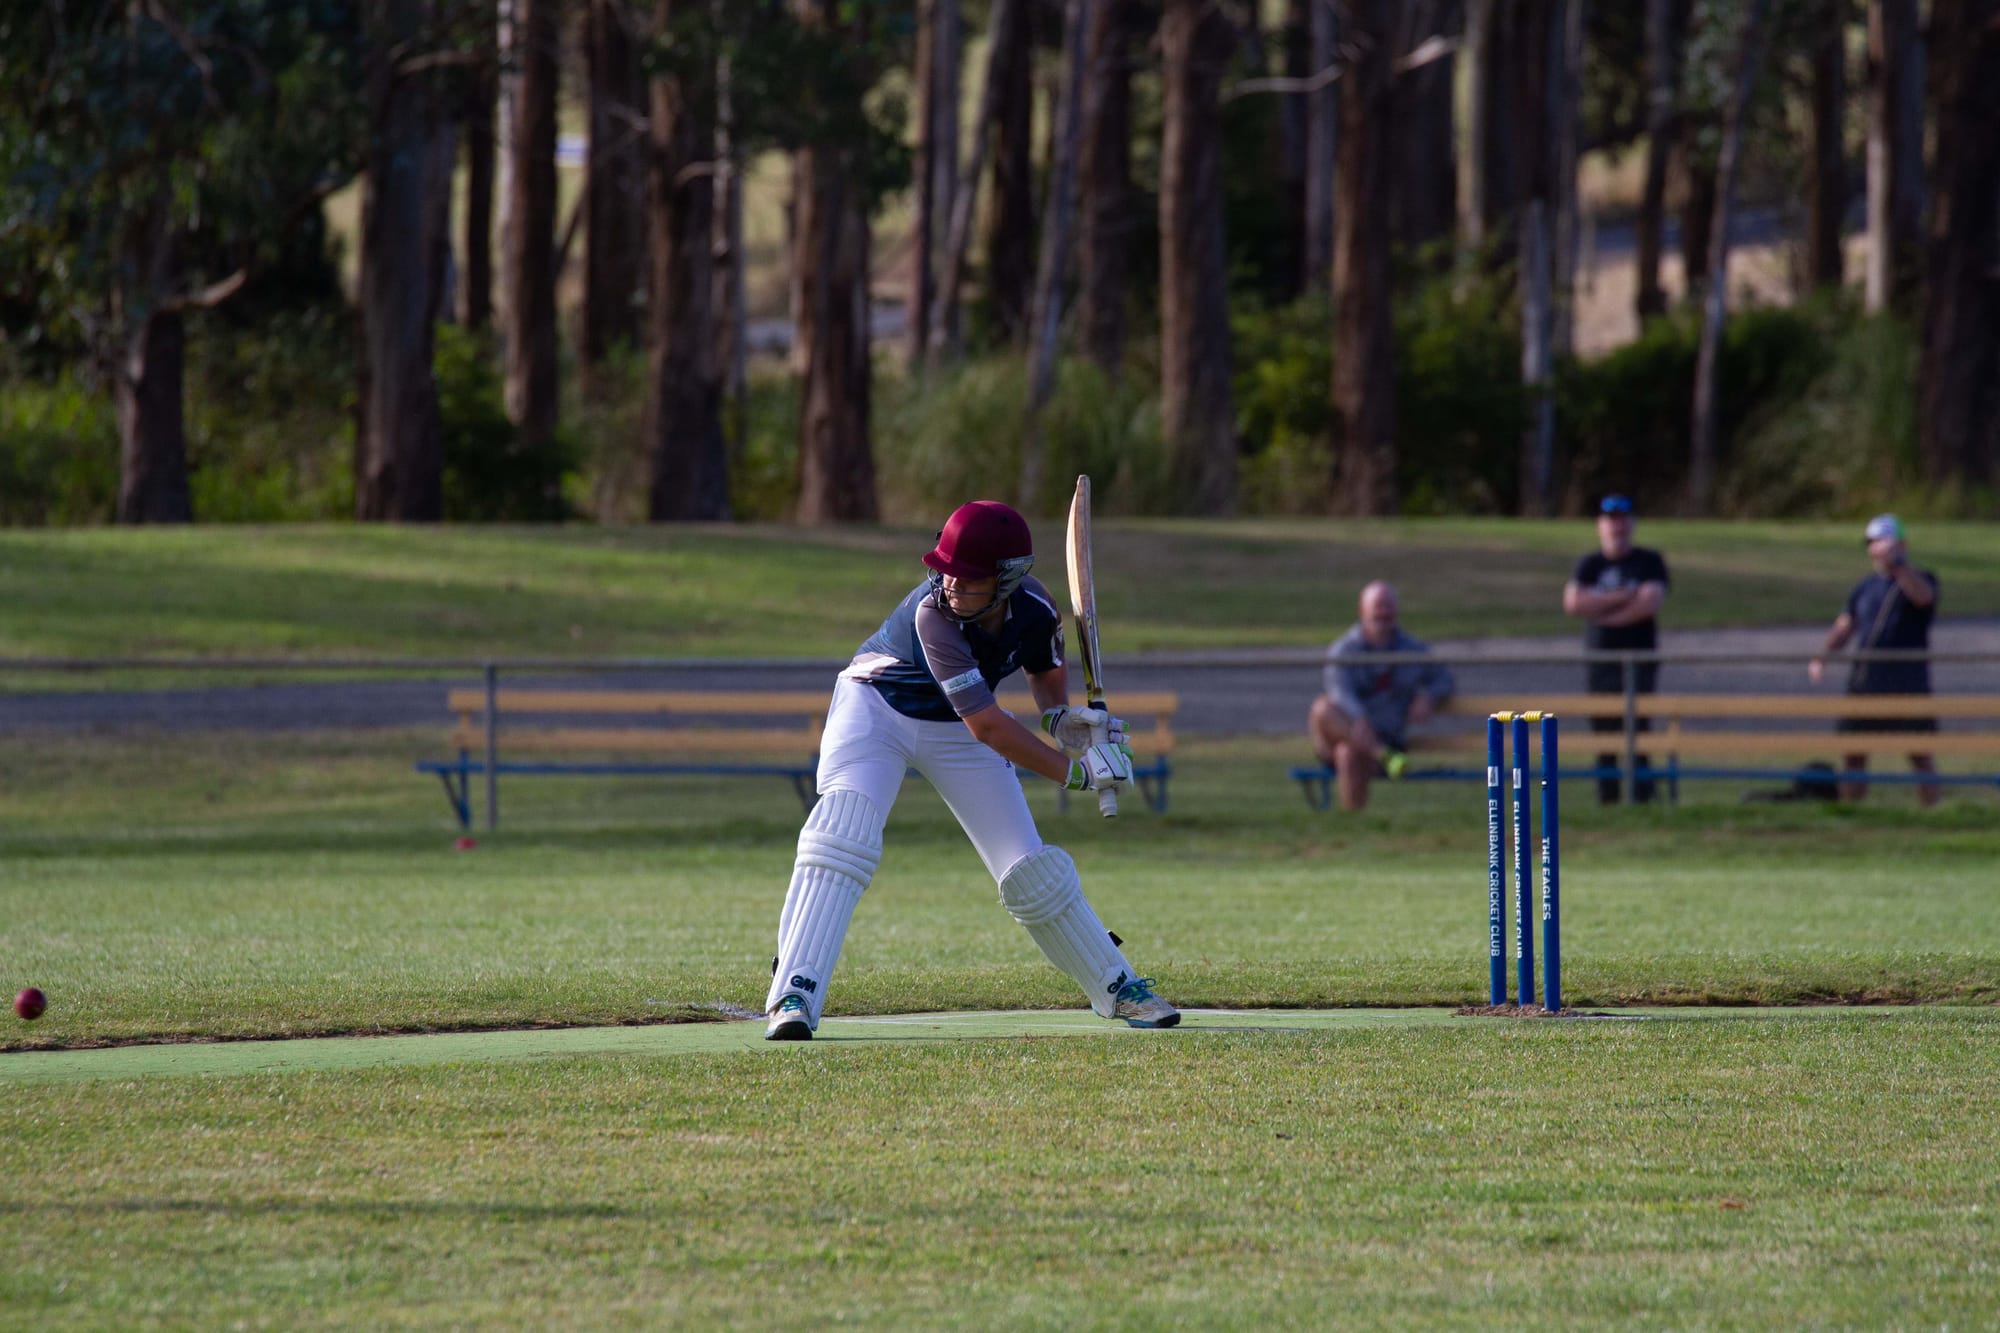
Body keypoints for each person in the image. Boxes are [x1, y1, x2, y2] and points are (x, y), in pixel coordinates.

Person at [762, 500, 1179, 1040]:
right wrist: (1077, 774)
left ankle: (1118, 986)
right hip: (876, 710)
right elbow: (989, 726)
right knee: (843, 836)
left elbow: (1043, 668)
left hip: (955, 727)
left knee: (1031, 870)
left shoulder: (1037, 608)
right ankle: (795, 992)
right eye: (947, 572)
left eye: (968, 578)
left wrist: (1059, 718)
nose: (951, 586)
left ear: (1006, 581)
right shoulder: (932, 615)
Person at [1808, 514, 1941, 806]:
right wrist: (1823, 655)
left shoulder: (1922, 579)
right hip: (1866, 681)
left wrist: (1899, 566)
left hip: (1908, 683)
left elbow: (1923, 598)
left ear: (1901, 544)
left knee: (1920, 754)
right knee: (1854, 753)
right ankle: (1853, 815)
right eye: (1872, 542)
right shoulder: (1865, 586)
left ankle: (1933, 813)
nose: (1876, 548)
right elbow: (1845, 625)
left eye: (1882, 540)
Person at [1306, 581, 1455, 812]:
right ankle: (1382, 754)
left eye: (1388, 607)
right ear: (1362, 611)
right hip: (1343, 732)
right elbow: (1339, 692)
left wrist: (1428, 696)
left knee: (1348, 753)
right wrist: (1359, 718)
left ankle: (1355, 828)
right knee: (1322, 709)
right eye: (1377, 607)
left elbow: (1444, 678)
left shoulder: (1412, 650)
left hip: (1388, 737)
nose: (1383, 613)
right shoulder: (1344, 651)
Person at [1563, 493, 1670, 804]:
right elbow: (1573, 603)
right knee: (1604, 730)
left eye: (1622, 519)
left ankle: (1642, 796)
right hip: (1601, 660)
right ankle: (1607, 798)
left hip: (1640, 658)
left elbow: (1649, 603)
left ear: (1631, 523)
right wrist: (1625, 596)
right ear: (1600, 525)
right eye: (1610, 520)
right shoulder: (1589, 564)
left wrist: (1602, 610)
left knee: (1639, 728)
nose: (1617, 526)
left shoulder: (1649, 561)